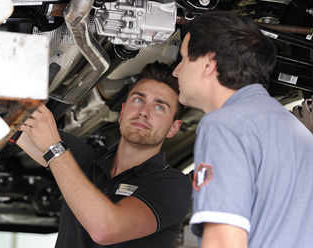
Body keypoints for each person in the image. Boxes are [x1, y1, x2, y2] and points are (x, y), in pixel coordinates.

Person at [172, 11, 313, 248]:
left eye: (182, 59)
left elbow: (224, 241)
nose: (176, 71)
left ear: (208, 63)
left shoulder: (225, 125)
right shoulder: (289, 129)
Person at [17, 61, 192, 248]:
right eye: (138, 100)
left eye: (159, 107)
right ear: (122, 112)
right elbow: (16, 125)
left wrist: (54, 147)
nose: (143, 112)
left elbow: (105, 229)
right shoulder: (88, 162)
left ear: (173, 128)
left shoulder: (173, 185)